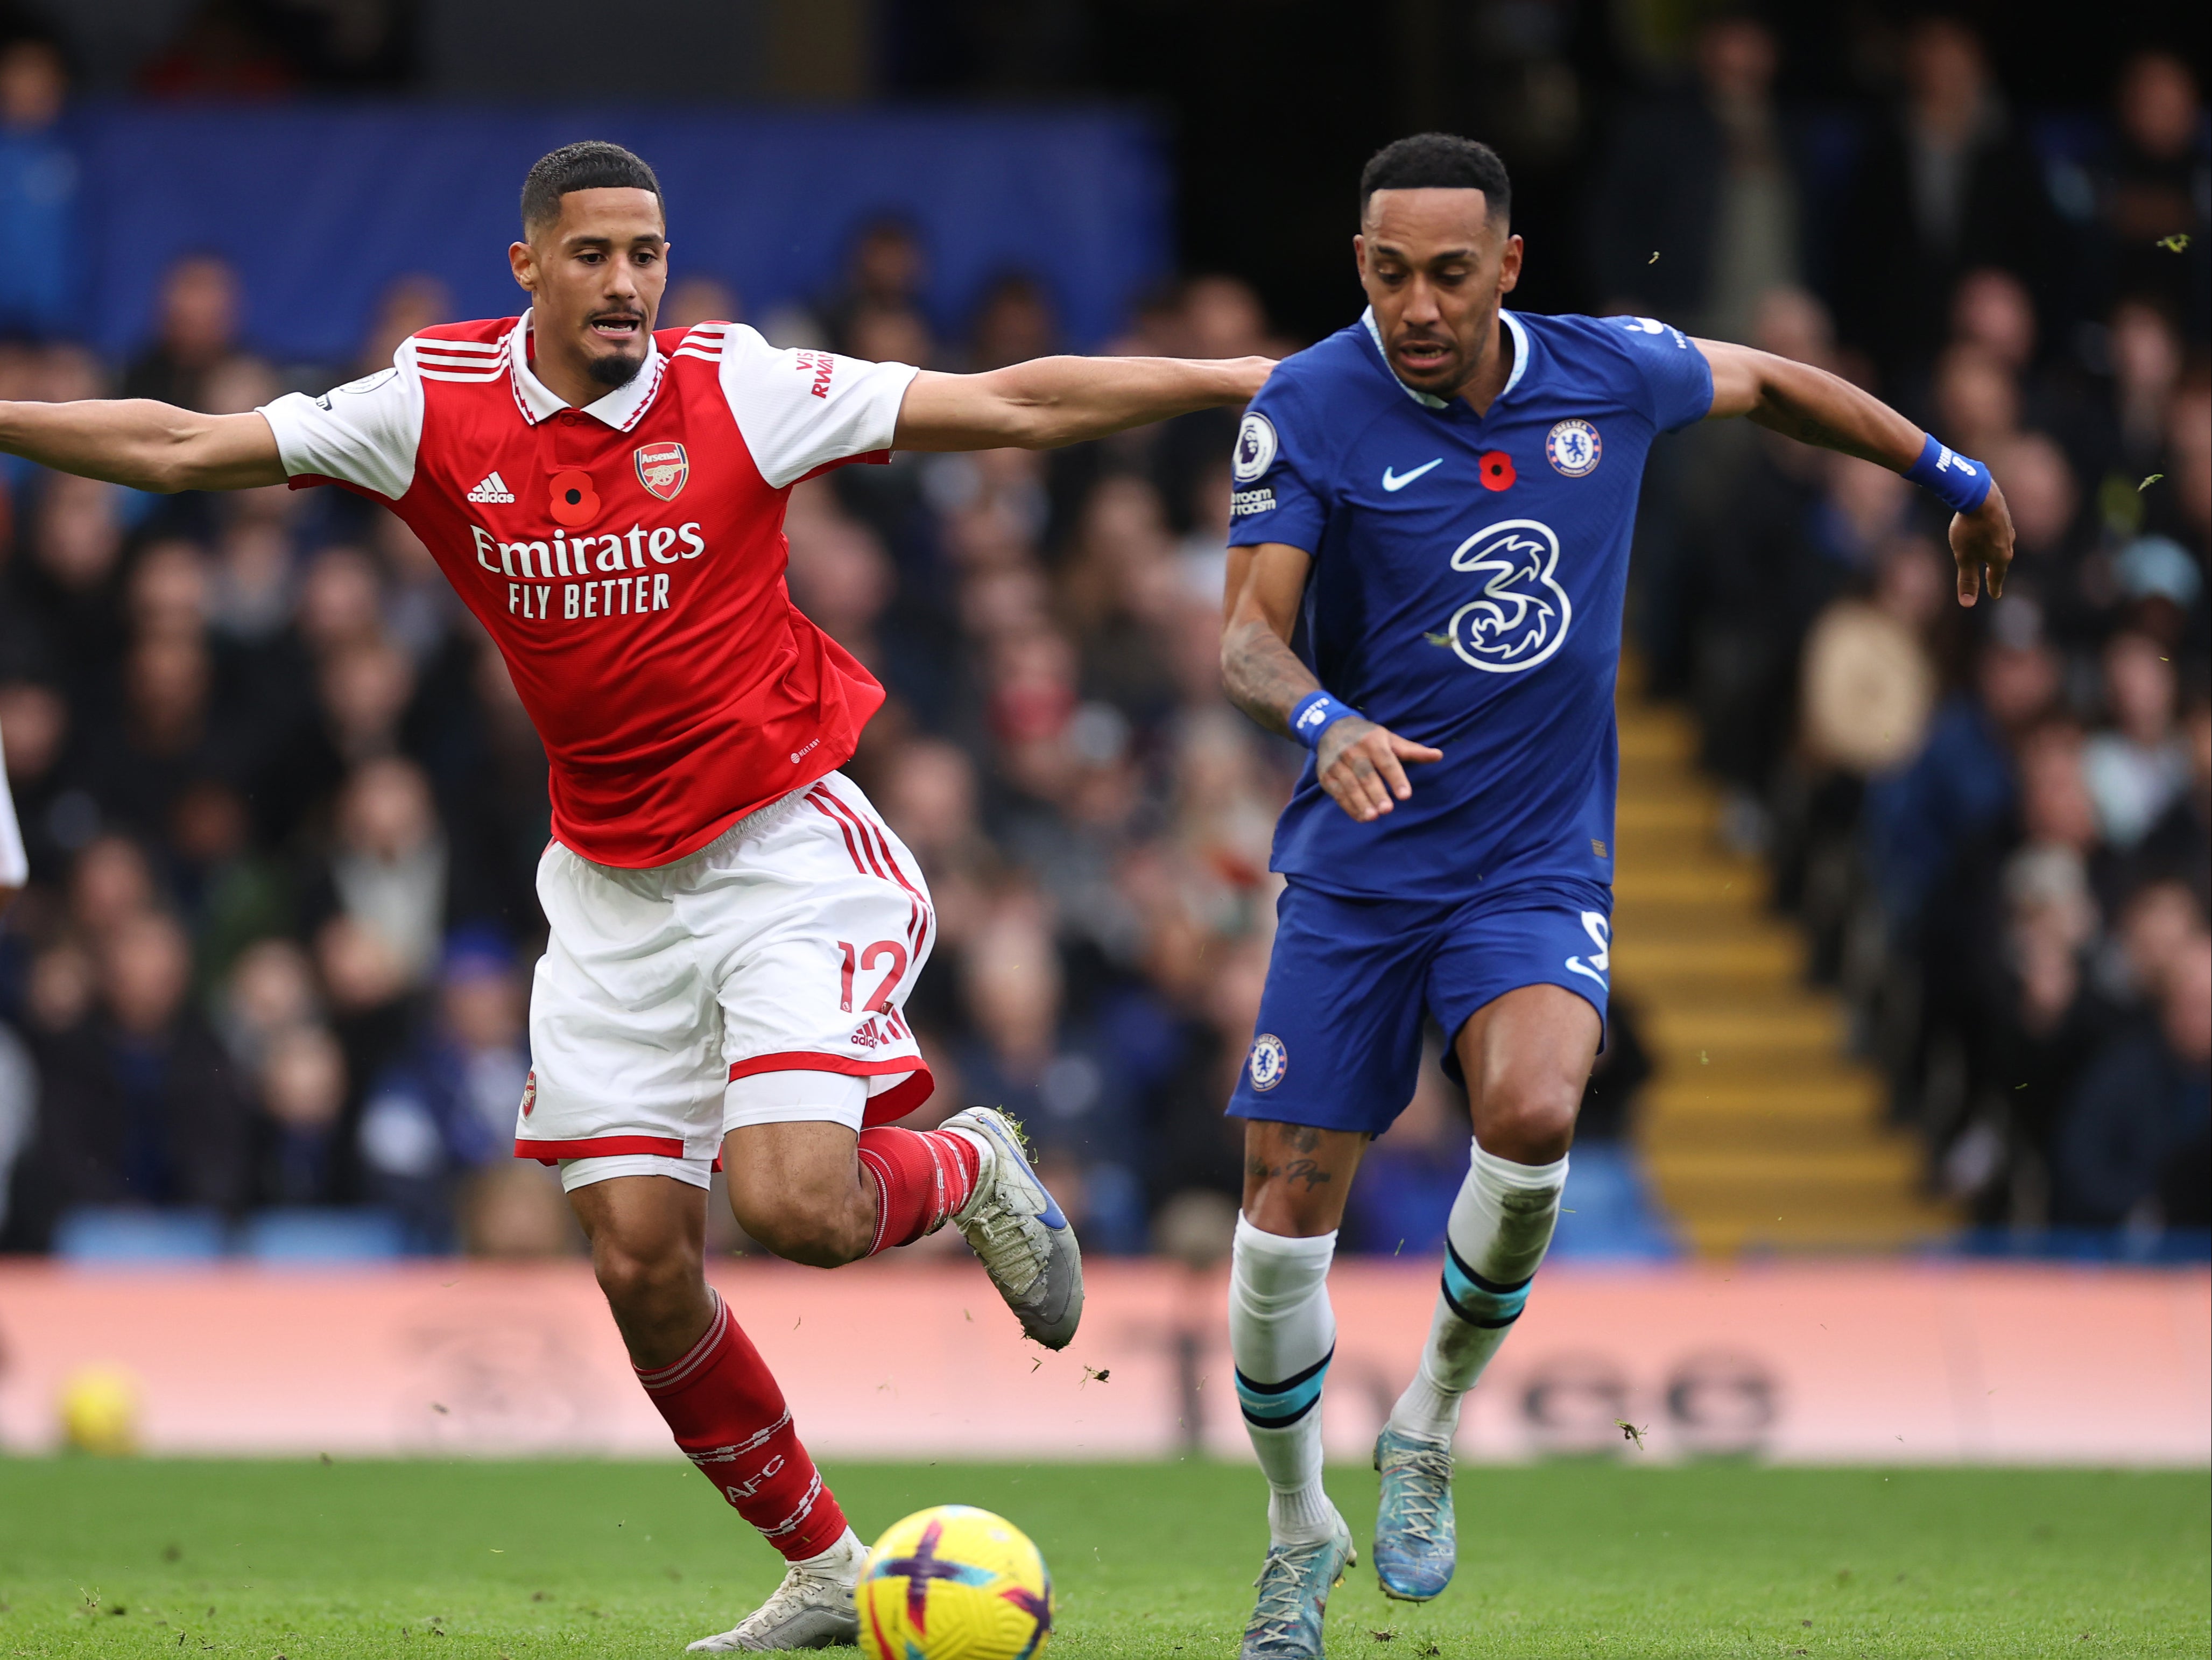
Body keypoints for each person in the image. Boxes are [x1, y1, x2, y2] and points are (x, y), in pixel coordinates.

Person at [0, 139, 1272, 1650]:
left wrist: (1236, 376)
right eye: (596, 254)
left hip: (781, 854)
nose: (628, 284)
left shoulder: (741, 387)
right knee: (639, 1260)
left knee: (797, 1202)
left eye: (649, 255)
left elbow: (1012, 403)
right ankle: (819, 1565)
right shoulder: (427, 405)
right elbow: (173, 446)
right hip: (607, 892)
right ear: (528, 262)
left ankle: (974, 1165)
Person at [1215, 133, 2014, 1660]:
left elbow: (1777, 382)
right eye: (1389, 273)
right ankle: (1295, 1528)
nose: (1417, 305)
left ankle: (1430, 1425)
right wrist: (1327, 721)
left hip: (1529, 859)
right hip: (1361, 867)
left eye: (1450, 273)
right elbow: (1249, 639)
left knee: (1531, 1114)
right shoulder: (1308, 404)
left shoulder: (1613, 373)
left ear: (1508, 266)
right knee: (1279, 1227)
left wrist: (1952, 473)